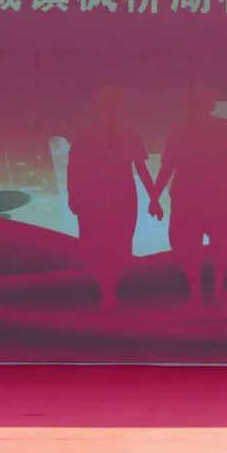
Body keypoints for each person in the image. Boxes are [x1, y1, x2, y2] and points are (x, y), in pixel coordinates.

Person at [149, 85, 227, 305]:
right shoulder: (190, 131)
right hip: (194, 200)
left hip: (212, 200)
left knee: (216, 247)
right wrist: (154, 198)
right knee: (197, 247)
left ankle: (211, 291)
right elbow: (167, 168)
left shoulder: (222, 129)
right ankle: (203, 293)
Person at [67, 85, 157, 308]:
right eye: (110, 103)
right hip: (92, 199)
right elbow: (74, 167)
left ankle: (112, 293)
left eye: (117, 104)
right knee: (94, 246)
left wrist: (154, 198)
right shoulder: (85, 136)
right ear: (98, 106)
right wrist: (74, 196)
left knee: (120, 246)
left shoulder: (129, 134)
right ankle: (102, 293)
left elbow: (141, 168)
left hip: (123, 199)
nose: (114, 108)